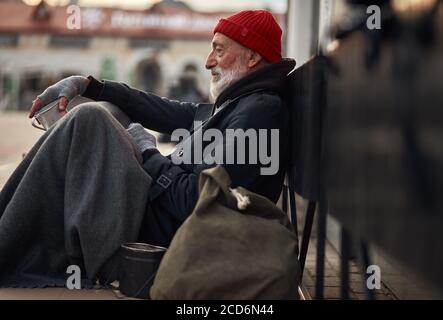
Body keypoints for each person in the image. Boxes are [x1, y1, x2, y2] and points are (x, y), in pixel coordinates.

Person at [0, 10, 296, 287]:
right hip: (157, 213)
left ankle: (7, 241)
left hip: (167, 235)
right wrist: (89, 86)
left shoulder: (259, 112)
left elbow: (197, 201)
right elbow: (158, 109)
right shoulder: (240, 105)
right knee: (107, 110)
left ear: (253, 56)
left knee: (90, 119)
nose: (208, 61)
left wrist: (148, 153)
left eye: (219, 50)